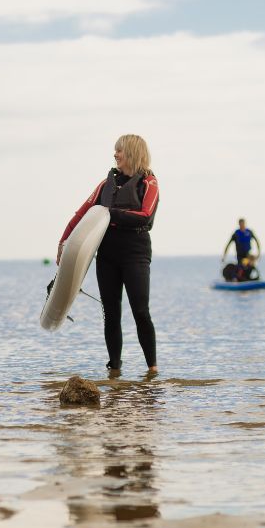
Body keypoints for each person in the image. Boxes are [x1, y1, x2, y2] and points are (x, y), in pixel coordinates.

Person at [57, 134, 160, 376]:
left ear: (132, 153)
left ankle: (152, 371)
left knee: (140, 311)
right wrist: (63, 242)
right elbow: (81, 213)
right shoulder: (105, 185)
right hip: (107, 253)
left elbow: (145, 215)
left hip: (135, 252)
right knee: (110, 312)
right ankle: (114, 370)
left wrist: (110, 214)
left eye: (119, 151)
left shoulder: (149, 183)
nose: (115, 155)